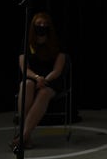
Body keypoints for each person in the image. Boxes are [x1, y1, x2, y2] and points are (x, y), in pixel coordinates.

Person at [11, 11, 67, 152]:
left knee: (43, 93)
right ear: (33, 26)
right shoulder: (26, 42)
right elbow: (24, 68)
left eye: (45, 24)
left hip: (51, 81)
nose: (42, 26)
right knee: (26, 84)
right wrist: (37, 78)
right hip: (33, 77)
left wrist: (44, 80)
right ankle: (27, 137)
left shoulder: (57, 42)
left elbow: (57, 70)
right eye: (39, 24)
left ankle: (23, 136)